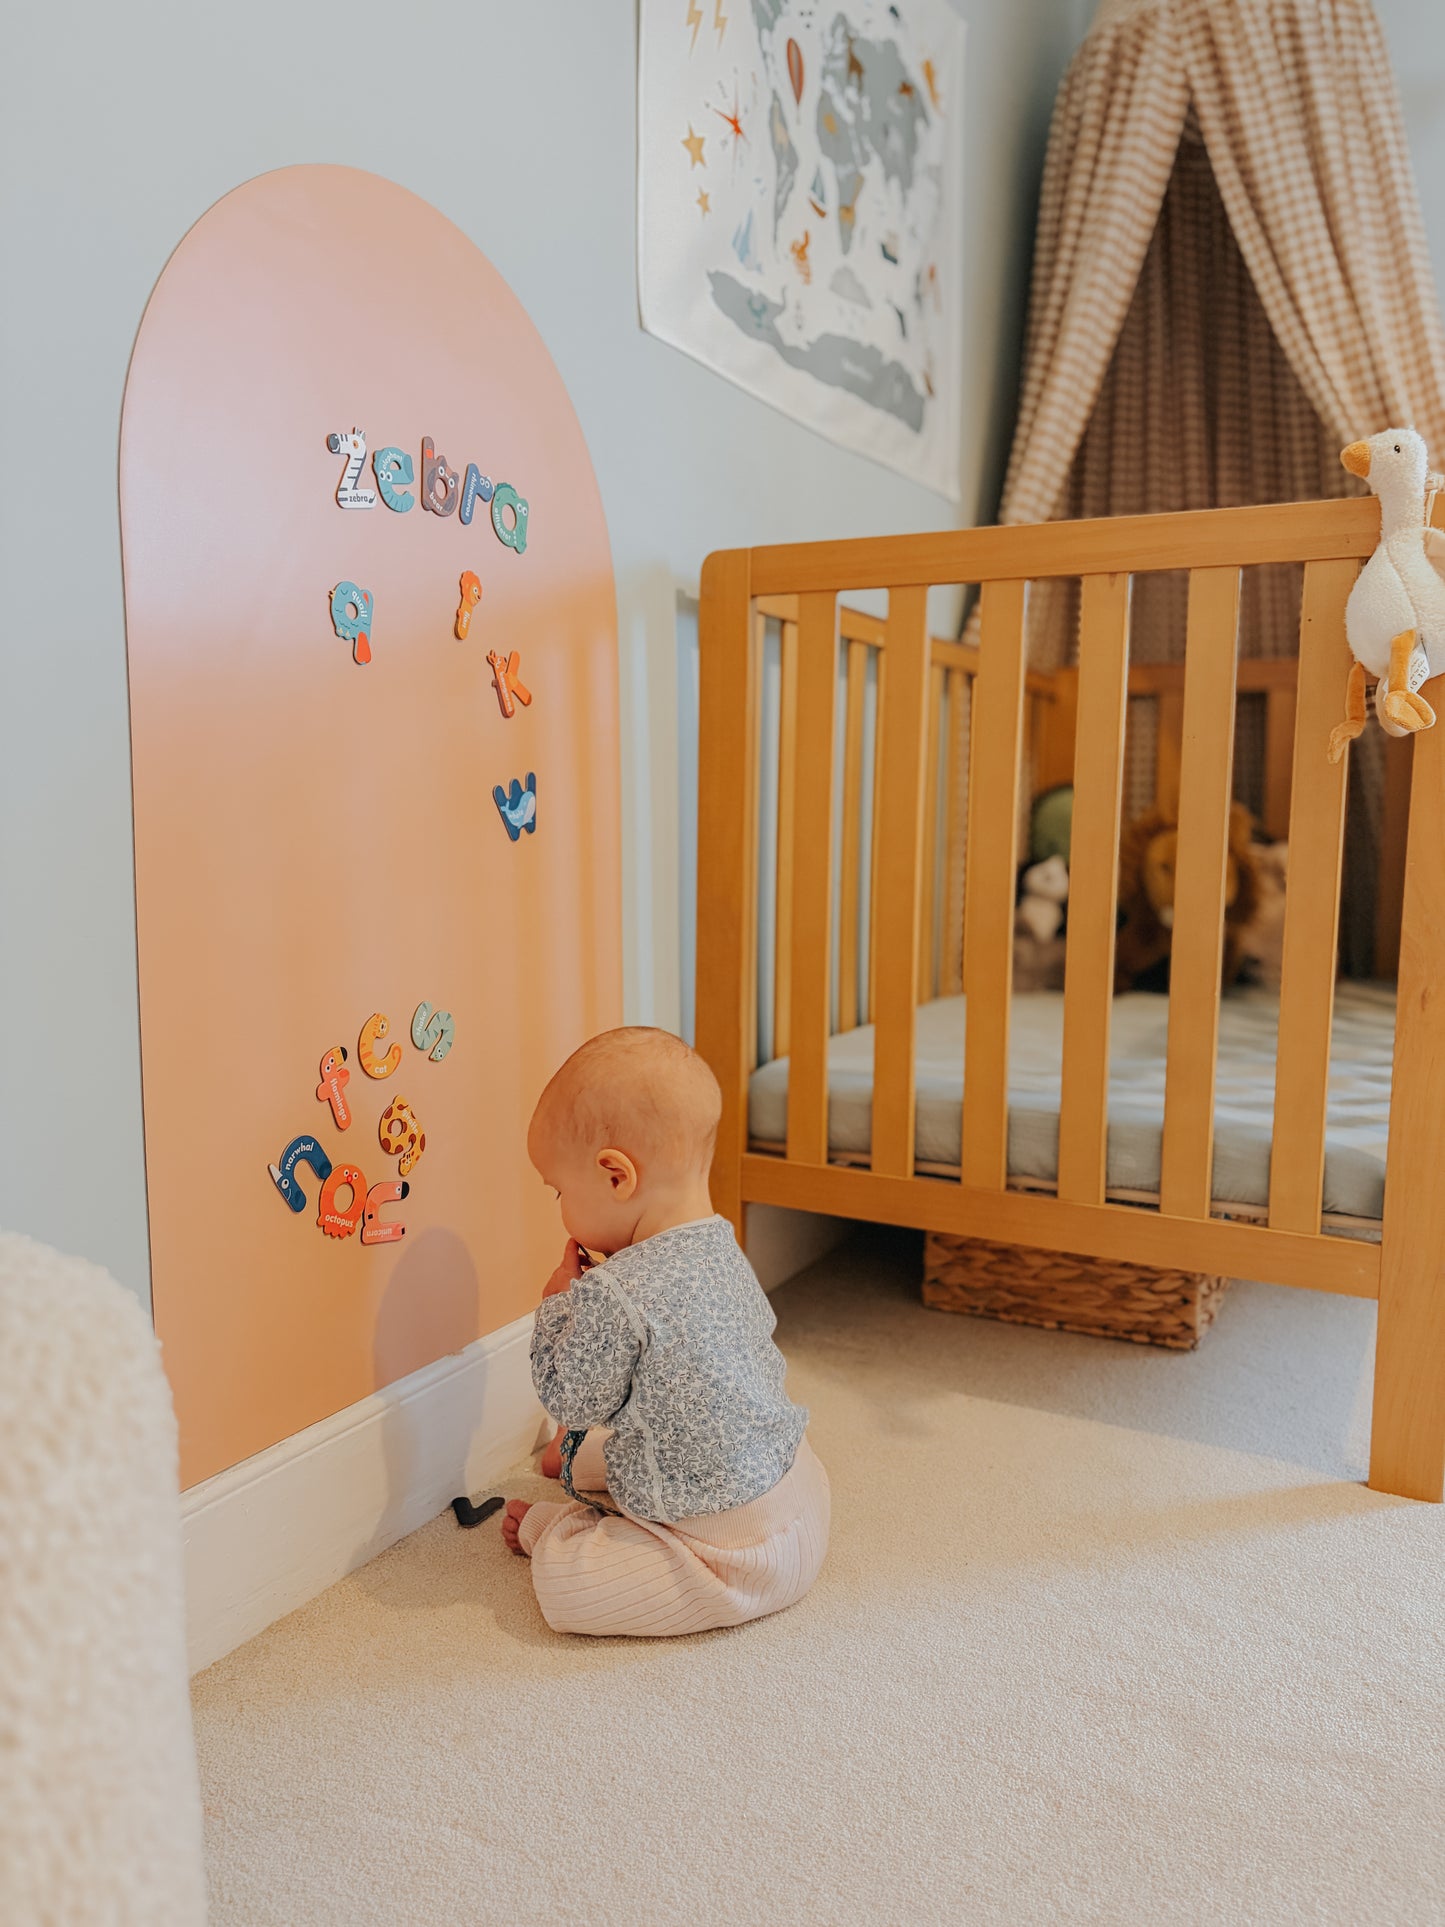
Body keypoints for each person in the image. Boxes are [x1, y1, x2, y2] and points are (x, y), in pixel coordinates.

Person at [503, 1027, 829, 1637]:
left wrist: (557, 1308)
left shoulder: (615, 1290)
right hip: (795, 1498)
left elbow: (571, 1400)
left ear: (616, 1177)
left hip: (729, 1555)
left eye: (560, 1191)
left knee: (570, 1586)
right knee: (661, 1427)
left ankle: (566, 1524)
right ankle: (577, 1459)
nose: (561, 1206)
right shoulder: (721, 1245)